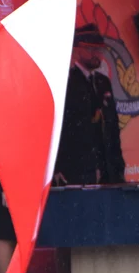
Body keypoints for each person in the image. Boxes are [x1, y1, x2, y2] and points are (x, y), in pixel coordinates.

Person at [54, 25, 126, 185]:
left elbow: (112, 128)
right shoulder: (68, 83)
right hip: (77, 169)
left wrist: (118, 166)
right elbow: (61, 129)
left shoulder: (102, 82)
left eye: (100, 50)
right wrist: (58, 167)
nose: (97, 55)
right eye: (91, 49)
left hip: (108, 168)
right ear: (77, 50)